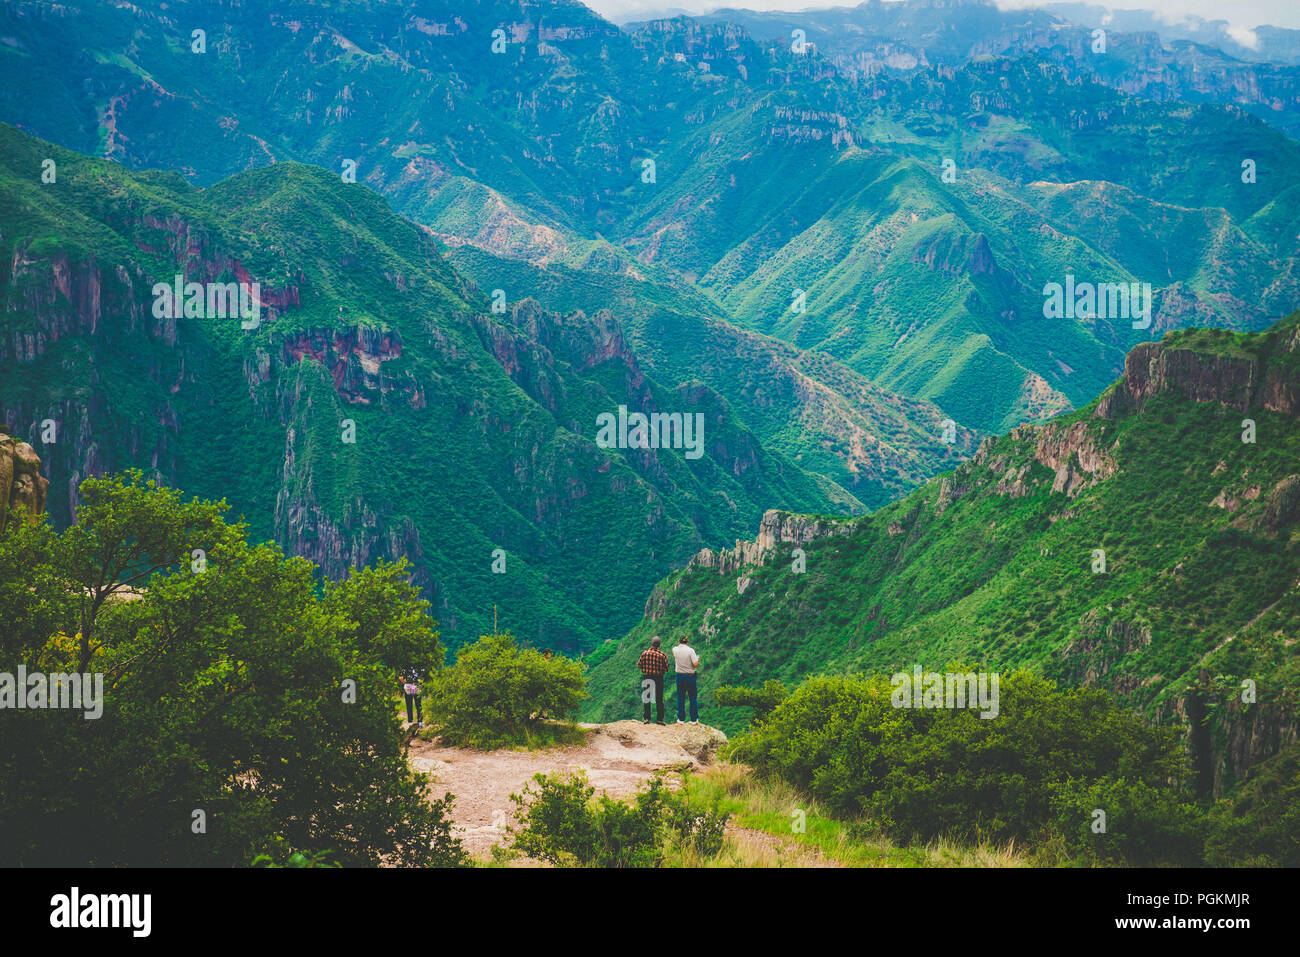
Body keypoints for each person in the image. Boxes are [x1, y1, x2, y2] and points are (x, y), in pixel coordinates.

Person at [637, 636, 669, 725]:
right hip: (658, 678)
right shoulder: (662, 655)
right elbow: (667, 668)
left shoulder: (644, 653)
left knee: (647, 698)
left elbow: (639, 665)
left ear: (651, 644)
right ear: (659, 645)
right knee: (659, 699)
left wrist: (645, 669)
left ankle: (647, 718)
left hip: (647, 677)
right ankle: (660, 719)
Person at [672, 636, 700, 724]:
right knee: (692, 697)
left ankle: (681, 719)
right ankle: (693, 719)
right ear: (687, 642)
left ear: (678, 641)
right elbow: (695, 664)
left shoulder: (675, 649)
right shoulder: (691, 651)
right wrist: (697, 659)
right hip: (690, 676)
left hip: (679, 676)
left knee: (680, 697)